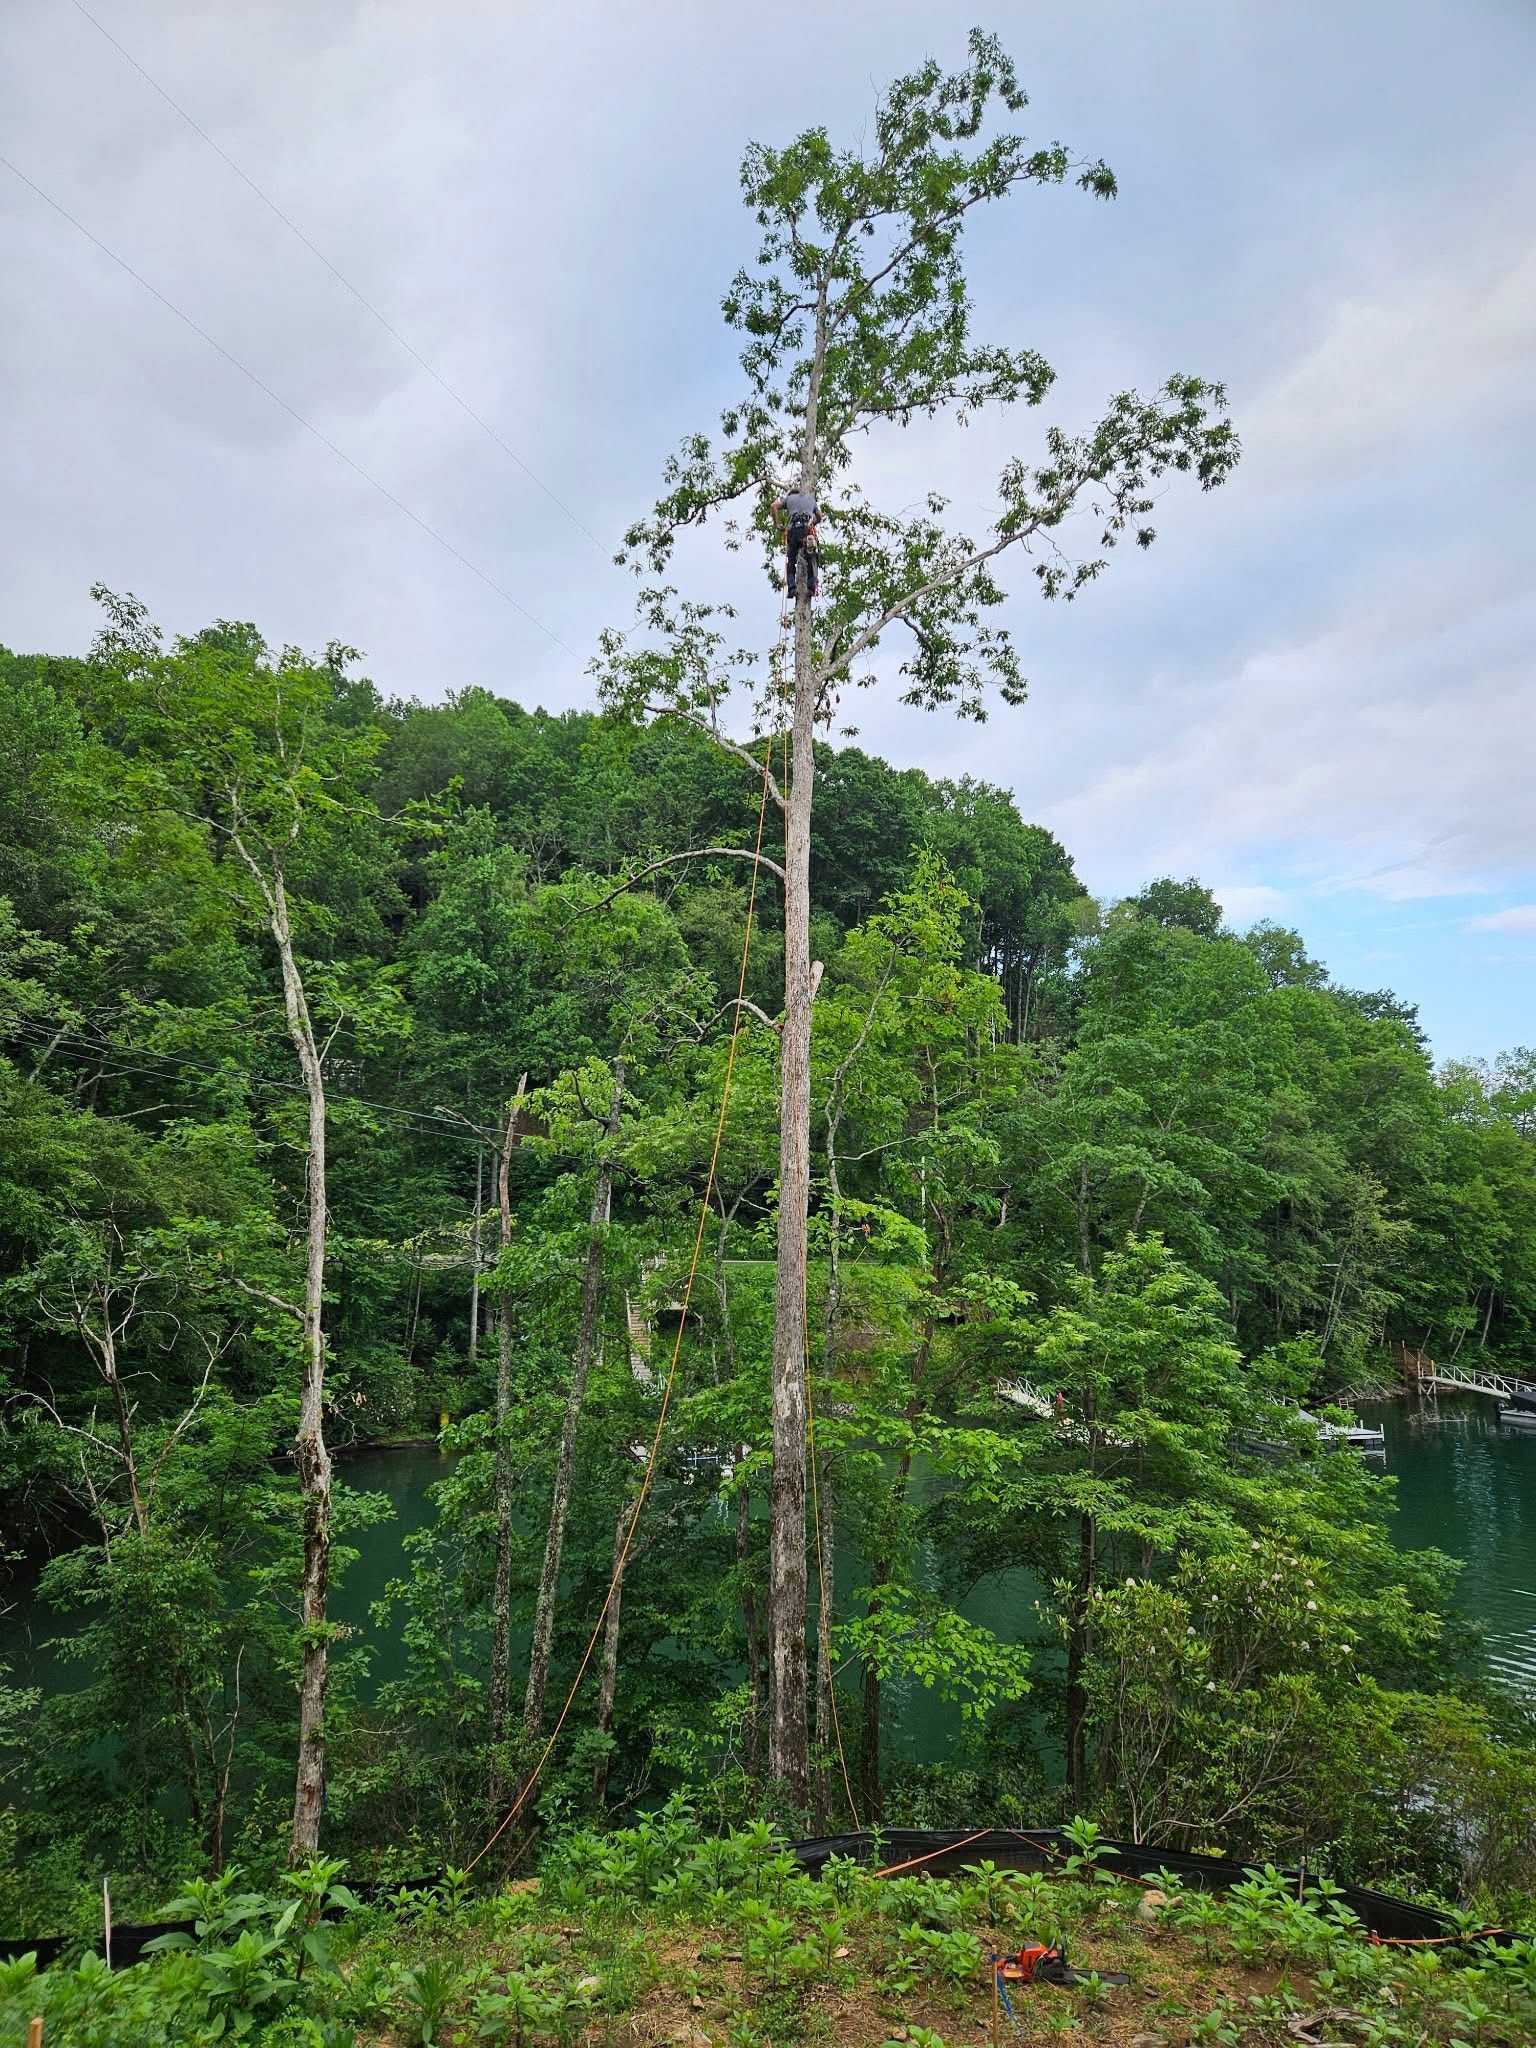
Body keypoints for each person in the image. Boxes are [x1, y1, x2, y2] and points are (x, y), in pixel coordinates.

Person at [773, 485, 820, 609]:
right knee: (812, 558)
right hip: (807, 530)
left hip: (793, 530)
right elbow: (819, 517)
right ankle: (811, 588)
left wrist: (777, 524)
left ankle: (792, 588)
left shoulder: (788, 499)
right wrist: (812, 523)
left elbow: (773, 506)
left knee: (791, 561)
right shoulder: (811, 499)